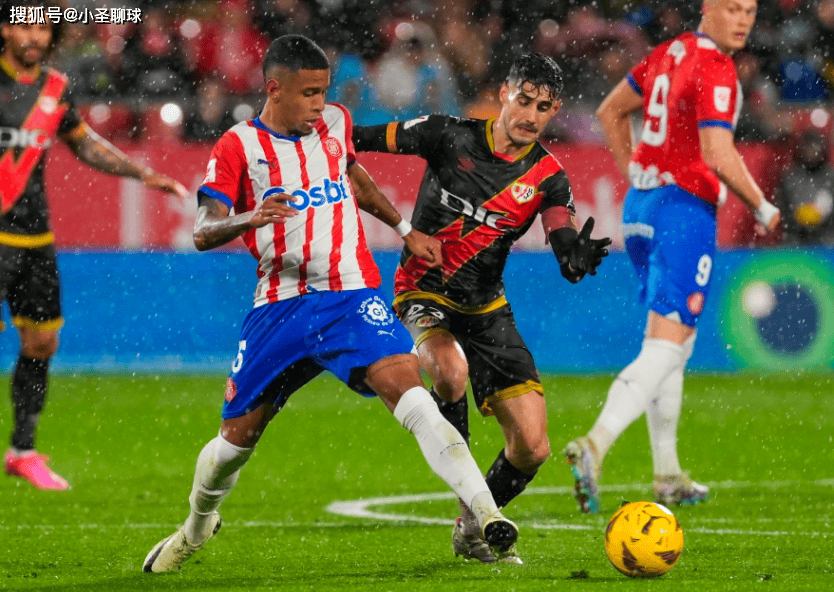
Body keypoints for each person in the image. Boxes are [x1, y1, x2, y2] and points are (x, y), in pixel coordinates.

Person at [142, 34, 520, 574]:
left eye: (324, 92)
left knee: (413, 396)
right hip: (280, 307)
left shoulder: (336, 123)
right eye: (309, 93)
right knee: (234, 443)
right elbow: (203, 230)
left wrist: (406, 229)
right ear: (275, 88)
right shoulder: (238, 146)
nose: (320, 104)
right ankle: (196, 527)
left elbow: (354, 179)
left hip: (351, 296)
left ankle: (485, 514)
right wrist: (249, 217)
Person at [352, 52, 611, 563]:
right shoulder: (446, 134)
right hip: (423, 293)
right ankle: (469, 491)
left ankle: (470, 527)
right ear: (503, 93)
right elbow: (355, 138)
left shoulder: (548, 176)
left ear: (554, 111)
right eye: (524, 100)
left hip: (487, 307)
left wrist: (574, 257)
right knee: (450, 373)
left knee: (533, 447)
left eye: (543, 107)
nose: (530, 115)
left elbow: (561, 234)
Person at [564, 0, 781, 514]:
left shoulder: (668, 52)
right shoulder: (716, 66)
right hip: (683, 211)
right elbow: (717, 153)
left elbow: (609, 111)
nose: (743, 20)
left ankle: (667, 474)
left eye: (750, 11)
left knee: (672, 344)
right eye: (732, 8)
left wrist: (635, 173)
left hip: (642, 208)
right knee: (668, 344)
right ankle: (595, 443)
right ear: (708, 9)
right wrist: (763, 205)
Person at [1, 1, 187, 491]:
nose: (34, 36)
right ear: (5, 29)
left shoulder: (55, 88)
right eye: (24, 25)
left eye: (42, 27)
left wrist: (143, 174)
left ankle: (22, 451)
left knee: (42, 342)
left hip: (34, 237)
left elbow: (83, 143)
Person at [776, 129, 834, 244]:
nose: (812, 152)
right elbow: (783, 211)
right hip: (797, 239)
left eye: (815, 148)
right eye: (809, 148)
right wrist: (800, 216)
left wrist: (822, 213)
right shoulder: (790, 177)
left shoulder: (831, 177)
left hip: (827, 239)